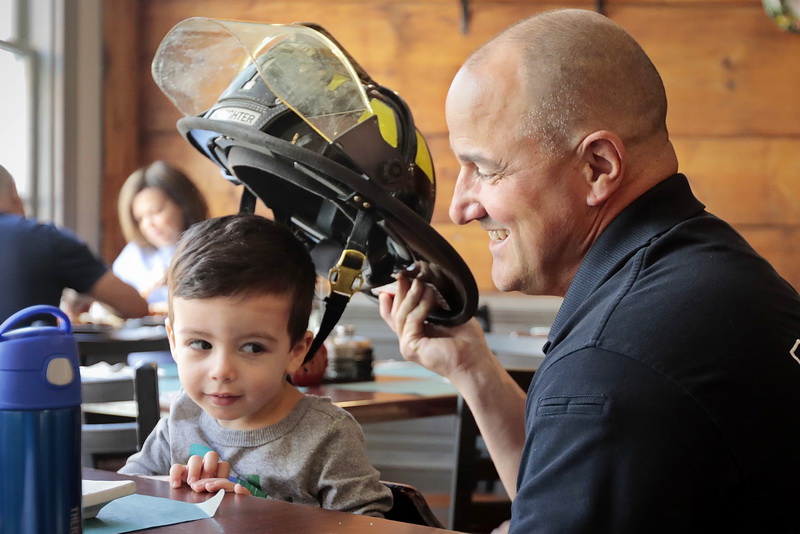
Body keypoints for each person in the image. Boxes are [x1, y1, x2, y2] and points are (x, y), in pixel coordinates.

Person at [379, 9, 800, 533]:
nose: (462, 208)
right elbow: (573, 497)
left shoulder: (610, 366)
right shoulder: (715, 270)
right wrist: (473, 367)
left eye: (485, 169)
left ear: (598, 166)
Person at [118, 214, 393, 517]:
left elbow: (370, 524)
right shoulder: (181, 420)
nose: (221, 371)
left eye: (253, 347)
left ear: (296, 350)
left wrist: (255, 515)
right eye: (200, 344)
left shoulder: (327, 436)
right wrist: (177, 491)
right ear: (173, 340)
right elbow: (124, 495)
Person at [0, 163, 148, 324]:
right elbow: (135, 307)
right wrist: (86, 289)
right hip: (25, 349)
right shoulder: (46, 239)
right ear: (14, 192)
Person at [114, 160, 208, 313]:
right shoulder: (135, 255)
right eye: (140, 219)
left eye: (156, 212)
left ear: (183, 205)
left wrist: (176, 279)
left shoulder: (209, 248)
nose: (148, 224)